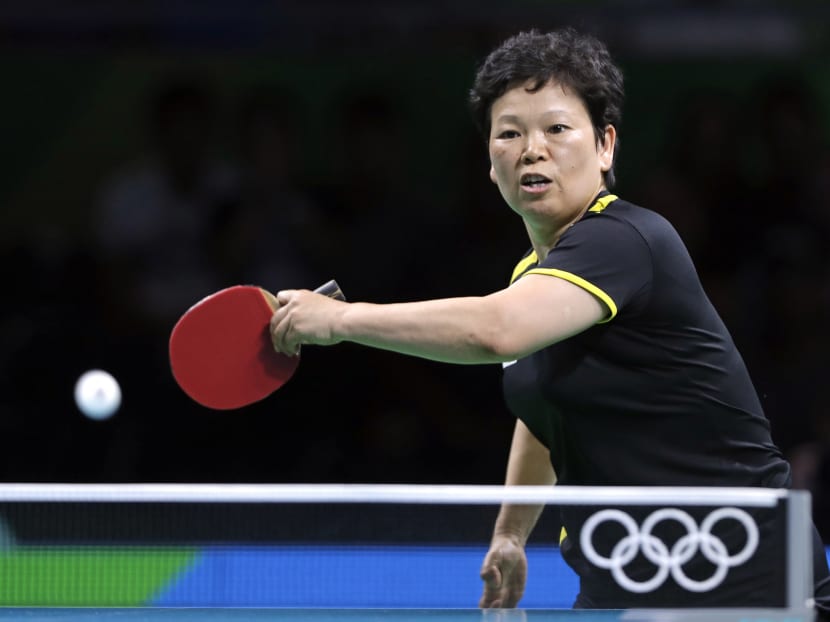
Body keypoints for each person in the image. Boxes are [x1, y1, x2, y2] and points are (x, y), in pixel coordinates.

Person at [267, 28, 830, 616]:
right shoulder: (536, 280)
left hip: (742, 571)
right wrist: (511, 533)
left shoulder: (625, 241)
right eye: (509, 133)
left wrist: (339, 319)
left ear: (606, 146)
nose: (532, 148)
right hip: (626, 576)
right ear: (490, 161)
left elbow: (495, 331)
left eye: (557, 129)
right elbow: (546, 407)